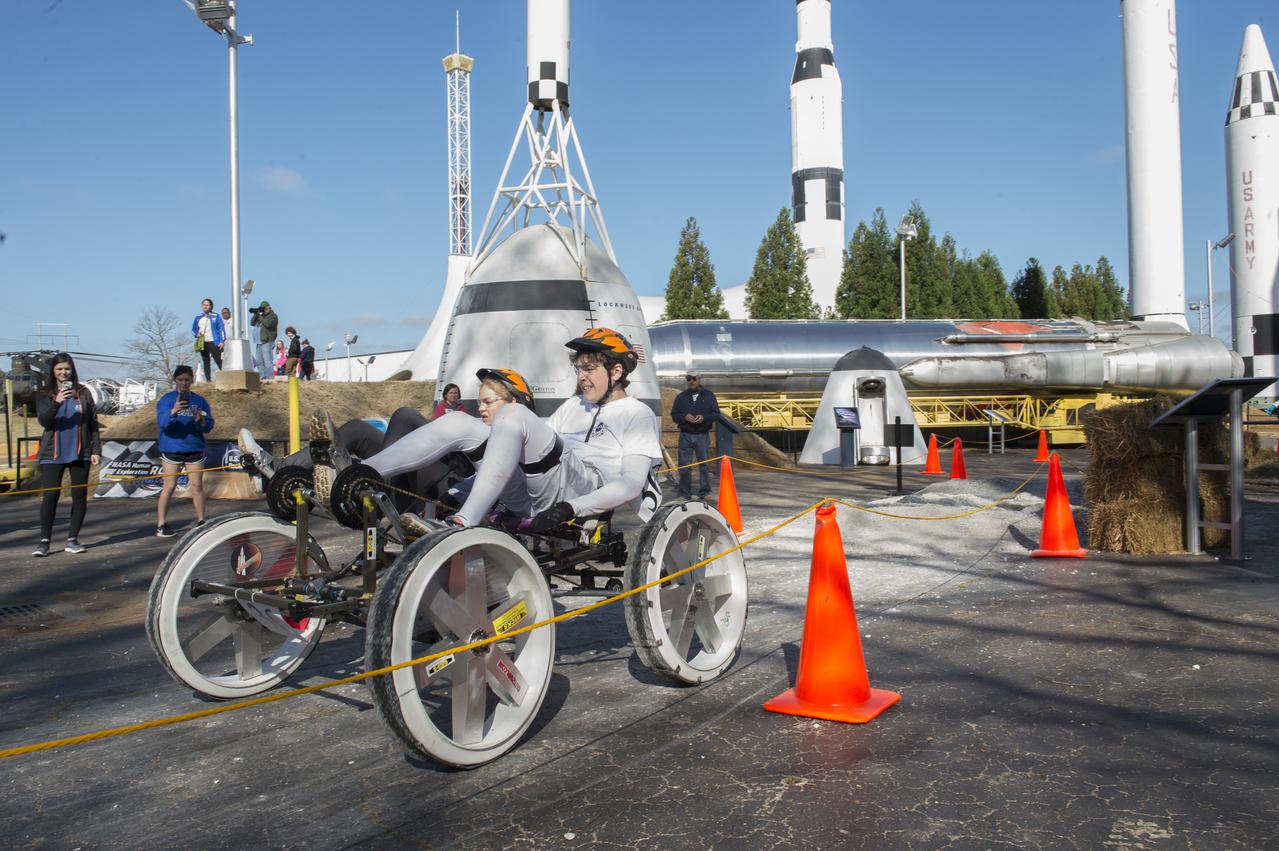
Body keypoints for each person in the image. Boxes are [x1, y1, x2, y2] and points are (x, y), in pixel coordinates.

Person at [33, 353, 101, 557]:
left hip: (80, 452)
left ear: (72, 370)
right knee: (51, 495)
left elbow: (93, 424)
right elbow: (44, 422)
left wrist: (96, 449)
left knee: (79, 496)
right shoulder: (44, 393)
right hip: (52, 452)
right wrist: (57, 402)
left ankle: (73, 539)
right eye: (59, 369)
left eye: (67, 369)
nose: (64, 373)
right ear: (53, 371)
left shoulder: (83, 393)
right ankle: (44, 541)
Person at [155, 365, 214, 537]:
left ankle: (201, 520)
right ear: (175, 381)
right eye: (180, 380)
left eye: (187, 380)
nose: (184, 383)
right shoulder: (166, 399)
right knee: (170, 485)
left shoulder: (199, 401)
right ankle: (161, 524)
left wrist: (200, 420)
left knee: (197, 485)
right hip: (172, 447)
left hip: (194, 447)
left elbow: (208, 426)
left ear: (192, 380)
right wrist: (174, 411)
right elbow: (162, 423)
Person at [670, 368, 719, 500]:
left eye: (693, 379)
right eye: (688, 379)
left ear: (699, 379)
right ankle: (684, 493)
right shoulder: (681, 397)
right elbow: (674, 415)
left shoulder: (709, 396)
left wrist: (704, 418)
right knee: (685, 465)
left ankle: (705, 492)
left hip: (702, 435)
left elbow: (715, 414)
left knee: (704, 465)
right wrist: (685, 417)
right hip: (685, 435)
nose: (691, 382)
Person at [192, 298, 226, 382]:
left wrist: (222, 341)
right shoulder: (198, 317)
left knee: (218, 360)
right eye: (204, 305)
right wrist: (197, 334)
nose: (205, 306)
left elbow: (221, 329)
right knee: (205, 360)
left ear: (211, 306)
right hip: (203, 342)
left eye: (207, 305)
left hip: (214, 341)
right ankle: (208, 380)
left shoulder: (216, 316)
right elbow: (193, 329)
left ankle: (225, 377)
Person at [249, 300, 278, 380]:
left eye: (264, 308)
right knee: (259, 361)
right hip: (258, 342)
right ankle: (263, 376)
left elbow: (268, 324)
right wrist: (256, 314)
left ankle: (270, 377)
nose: (263, 310)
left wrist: (260, 316)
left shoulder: (273, 316)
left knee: (267, 361)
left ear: (268, 308)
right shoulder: (260, 316)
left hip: (267, 341)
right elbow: (252, 323)